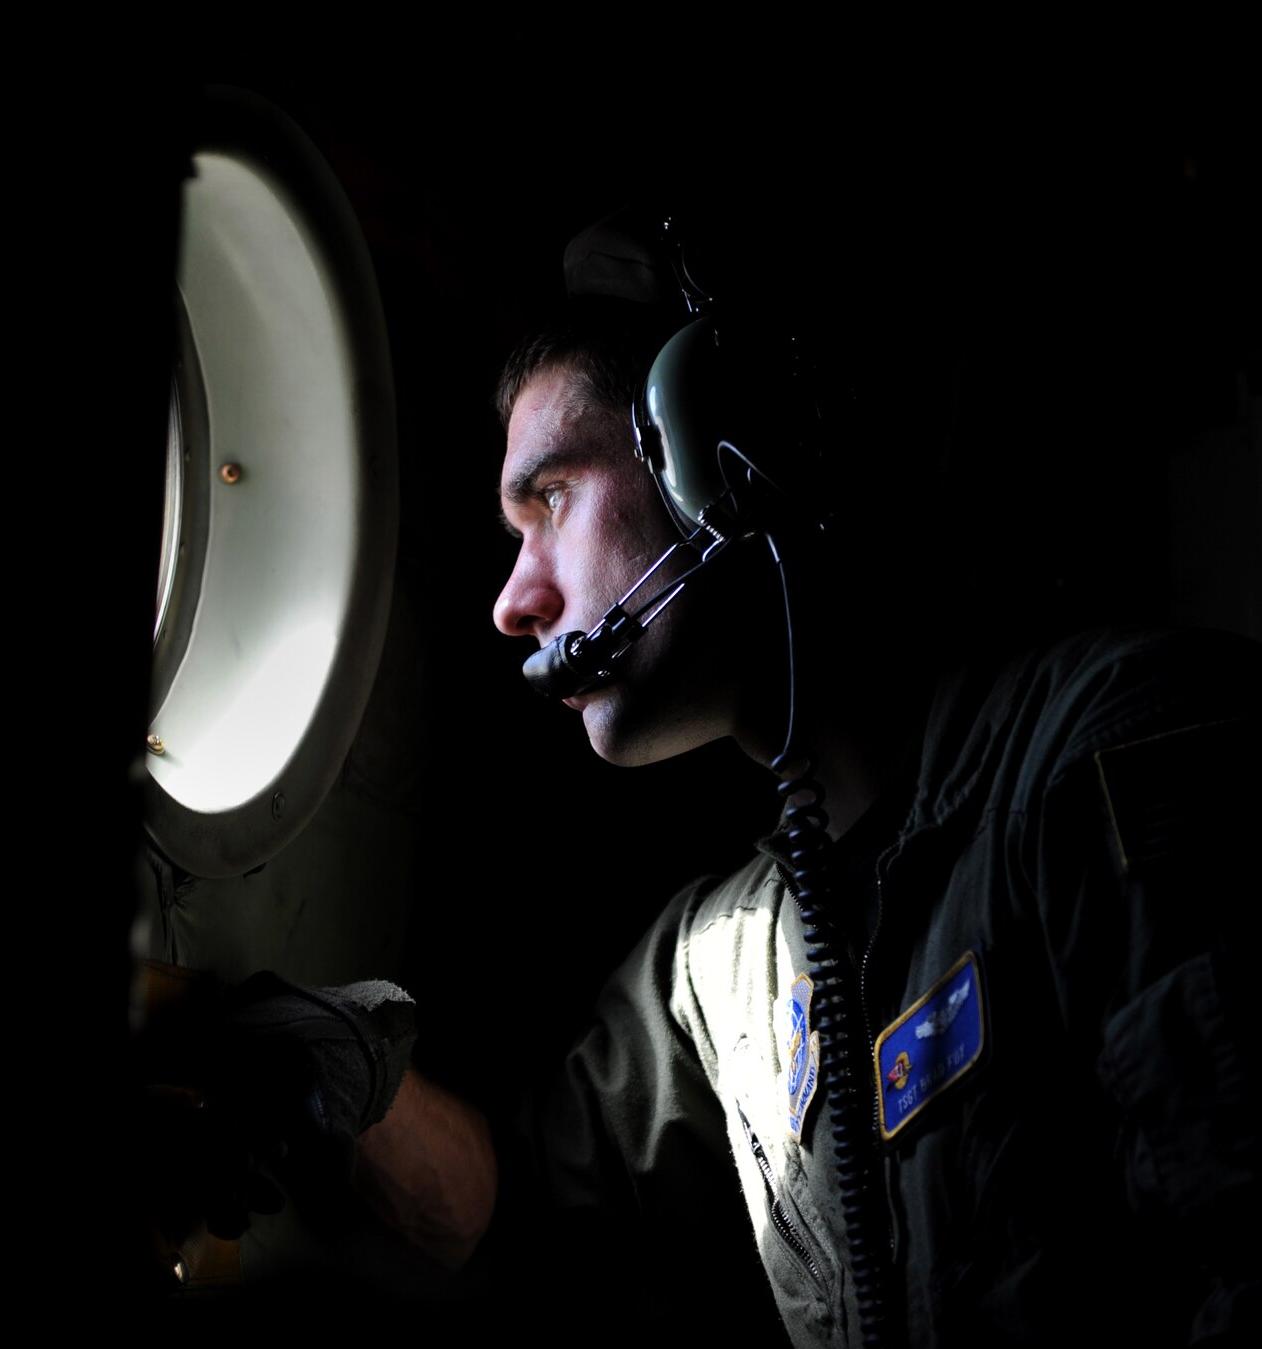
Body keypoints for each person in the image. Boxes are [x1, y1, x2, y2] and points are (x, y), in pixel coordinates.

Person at [229, 218, 1261, 1343]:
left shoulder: (1115, 748)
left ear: (718, 451)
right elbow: (504, 1205)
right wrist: (327, 1065)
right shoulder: (722, 969)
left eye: (552, 497)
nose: (512, 603)